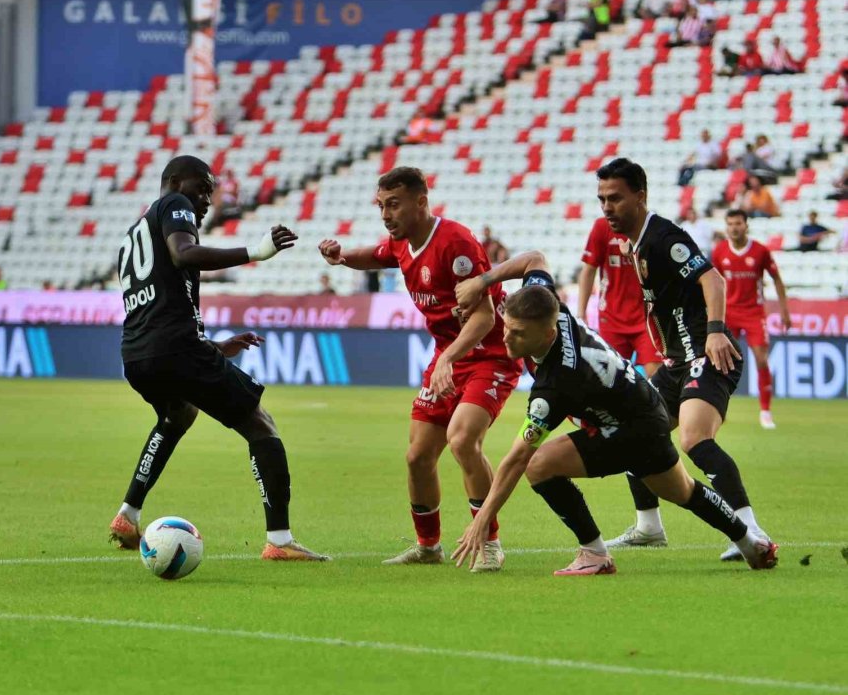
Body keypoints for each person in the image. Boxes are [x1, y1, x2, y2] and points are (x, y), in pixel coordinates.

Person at [452, 258, 778, 575]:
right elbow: (534, 259)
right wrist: (483, 281)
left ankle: (594, 553)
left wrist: (482, 518)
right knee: (683, 490)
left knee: (539, 465)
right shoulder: (546, 304)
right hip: (646, 407)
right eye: (507, 327)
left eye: (519, 333)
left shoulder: (558, 382)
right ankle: (750, 543)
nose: (507, 337)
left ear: (548, 335)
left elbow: (517, 458)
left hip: (629, 429)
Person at [109, 155, 329, 561]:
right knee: (261, 425)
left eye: (210, 192)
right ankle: (280, 542)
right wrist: (256, 251)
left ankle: (129, 512)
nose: (207, 199)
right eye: (201, 188)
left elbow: (160, 306)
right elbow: (184, 254)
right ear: (175, 181)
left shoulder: (133, 235)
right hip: (174, 348)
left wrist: (211, 346)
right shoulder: (175, 205)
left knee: (179, 415)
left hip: (138, 353)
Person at [318, 167, 522, 571]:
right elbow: (374, 256)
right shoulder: (401, 244)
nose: (385, 214)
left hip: (489, 356)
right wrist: (341, 258)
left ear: (421, 203)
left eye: (393, 204)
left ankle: (489, 541)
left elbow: (482, 317)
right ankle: (428, 546)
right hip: (448, 356)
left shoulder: (456, 243)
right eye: (381, 206)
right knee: (417, 456)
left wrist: (447, 358)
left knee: (463, 441)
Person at [591, 159, 772, 562]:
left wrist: (715, 331)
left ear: (640, 196)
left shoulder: (663, 237)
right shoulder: (637, 243)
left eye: (616, 198)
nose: (607, 207)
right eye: (602, 199)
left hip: (704, 354)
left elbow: (713, 279)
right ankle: (648, 527)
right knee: (632, 429)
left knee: (693, 438)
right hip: (677, 362)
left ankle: (750, 529)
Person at [712, 210, 791, 430]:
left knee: (761, 360)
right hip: (728, 313)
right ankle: (719, 408)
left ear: (746, 225)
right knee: (720, 364)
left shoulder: (760, 251)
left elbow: (776, 279)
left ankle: (765, 412)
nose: (734, 227)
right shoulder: (719, 252)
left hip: (754, 313)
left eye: (738, 223)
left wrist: (785, 311)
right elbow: (712, 284)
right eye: (730, 223)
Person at [577, 216, 661, 378]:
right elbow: (588, 270)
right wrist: (581, 313)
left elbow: (659, 274)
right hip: (612, 317)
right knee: (611, 379)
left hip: (647, 317)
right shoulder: (602, 226)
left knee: (657, 375)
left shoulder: (651, 226)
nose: (607, 205)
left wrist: (633, 254)